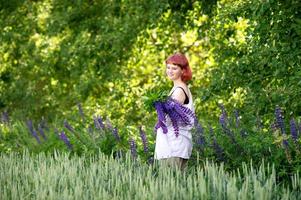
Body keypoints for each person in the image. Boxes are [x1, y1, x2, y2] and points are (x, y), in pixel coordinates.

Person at [154, 52, 194, 170]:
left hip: (175, 145)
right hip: (171, 144)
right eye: (168, 67)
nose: (170, 71)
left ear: (183, 70)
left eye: (174, 68)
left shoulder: (179, 91)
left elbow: (171, 116)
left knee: (173, 181)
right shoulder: (176, 88)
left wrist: (159, 106)